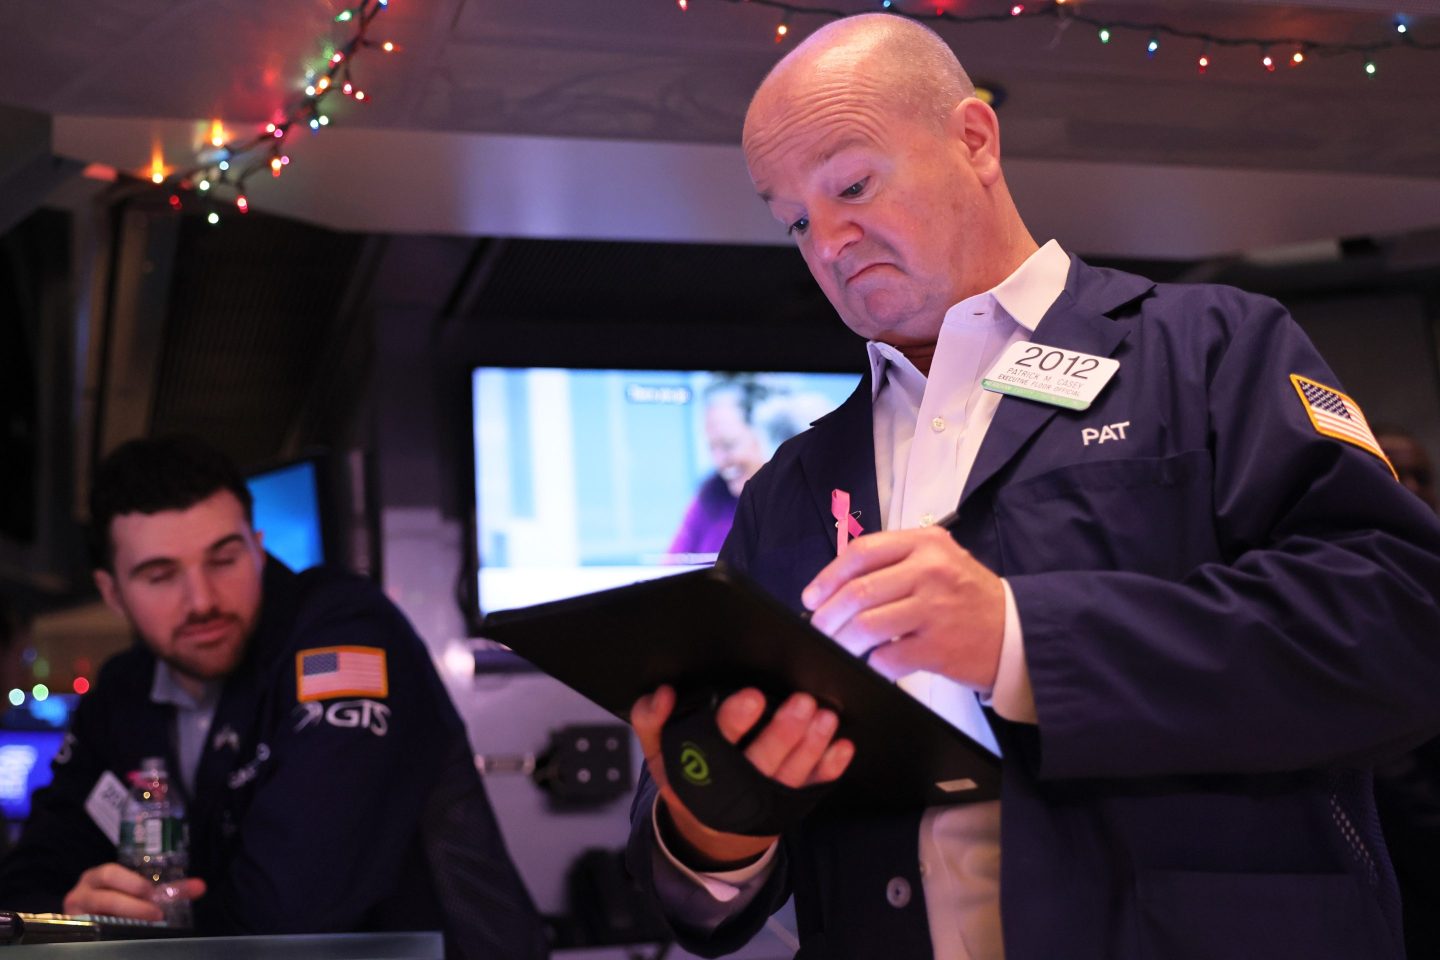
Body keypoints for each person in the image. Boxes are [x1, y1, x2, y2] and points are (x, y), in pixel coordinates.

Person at [625, 13, 1440, 960]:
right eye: (796, 219)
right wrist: (714, 825)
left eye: (852, 184)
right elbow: (691, 873)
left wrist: (1021, 640)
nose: (829, 241)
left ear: (974, 141)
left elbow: (1404, 624)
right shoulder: (794, 488)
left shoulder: (1211, 348)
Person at [0, 436, 547, 959]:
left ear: (258, 549)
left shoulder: (342, 632)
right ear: (112, 592)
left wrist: (123, 934)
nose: (203, 601)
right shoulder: (122, 693)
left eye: (224, 558)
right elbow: (29, 886)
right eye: (160, 575)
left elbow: (293, 913)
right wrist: (72, 913)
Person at [1372, 426, 1440, 958]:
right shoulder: (1332, 581)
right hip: (1390, 832)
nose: (1411, 487)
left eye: (1422, 476)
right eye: (1395, 471)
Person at [668, 382, 771, 558]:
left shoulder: (796, 500)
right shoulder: (709, 497)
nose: (719, 461)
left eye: (728, 445)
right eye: (712, 447)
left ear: (763, 437)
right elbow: (670, 565)